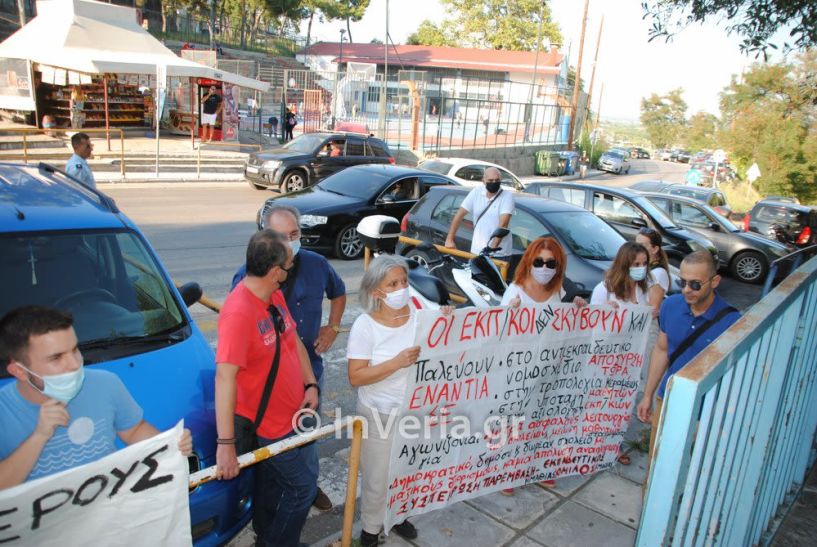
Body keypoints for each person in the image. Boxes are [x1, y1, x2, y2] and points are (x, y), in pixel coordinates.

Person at [230, 204, 346, 512]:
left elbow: (339, 292)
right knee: (273, 448)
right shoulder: (248, 279)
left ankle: (307, 485)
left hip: (310, 371)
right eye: (282, 236)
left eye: (294, 234)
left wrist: (332, 327)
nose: (289, 243)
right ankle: (287, 494)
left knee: (307, 437)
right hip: (271, 386)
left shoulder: (317, 264)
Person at [0, 306, 192, 489]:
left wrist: (169, 444)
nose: (74, 364)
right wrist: (39, 436)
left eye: (75, 349)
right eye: (56, 358)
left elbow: (133, 430)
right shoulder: (4, 409)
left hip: (107, 515)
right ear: (19, 371)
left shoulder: (106, 384)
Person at [215, 230, 320, 547]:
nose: (290, 271)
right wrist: (226, 444)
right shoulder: (238, 313)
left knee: (273, 487)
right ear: (275, 271)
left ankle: (267, 534)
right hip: (268, 426)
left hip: (292, 414)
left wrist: (310, 383)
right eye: (288, 265)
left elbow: (293, 343)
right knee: (303, 488)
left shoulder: (272, 296)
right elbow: (224, 379)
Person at [348, 255, 453, 547]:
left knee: (406, 470)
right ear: (376, 292)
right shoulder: (365, 326)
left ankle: (398, 516)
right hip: (378, 414)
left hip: (414, 412)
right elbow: (356, 377)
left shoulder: (420, 315)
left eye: (404, 281)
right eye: (392, 283)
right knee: (377, 477)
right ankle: (370, 529)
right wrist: (395, 363)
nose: (401, 288)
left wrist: (447, 316)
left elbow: (450, 337)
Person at [637, 251, 740, 495]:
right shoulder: (670, 306)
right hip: (668, 398)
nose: (686, 290)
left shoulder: (732, 322)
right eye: (682, 282)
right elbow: (662, 350)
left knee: (692, 471)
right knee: (656, 463)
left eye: (695, 284)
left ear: (714, 282)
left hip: (706, 410)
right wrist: (648, 394)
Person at [499, 237, 588, 495]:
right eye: (539, 261)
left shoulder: (559, 291)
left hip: (549, 366)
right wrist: (509, 313)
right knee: (515, 420)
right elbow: (497, 333)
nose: (545, 267)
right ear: (529, 261)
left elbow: (564, 325)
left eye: (551, 263)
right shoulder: (515, 291)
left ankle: (537, 466)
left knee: (543, 418)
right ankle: (506, 469)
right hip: (517, 369)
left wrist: (578, 307)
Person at [444, 167, 514, 261]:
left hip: (498, 255)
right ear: (483, 181)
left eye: (497, 180)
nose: (494, 182)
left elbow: (503, 225)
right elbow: (460, 214)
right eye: (490, 180)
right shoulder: (476, 192)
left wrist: (491, 251)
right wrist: (449, 239)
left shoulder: (507, 196)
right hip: (476, 251)